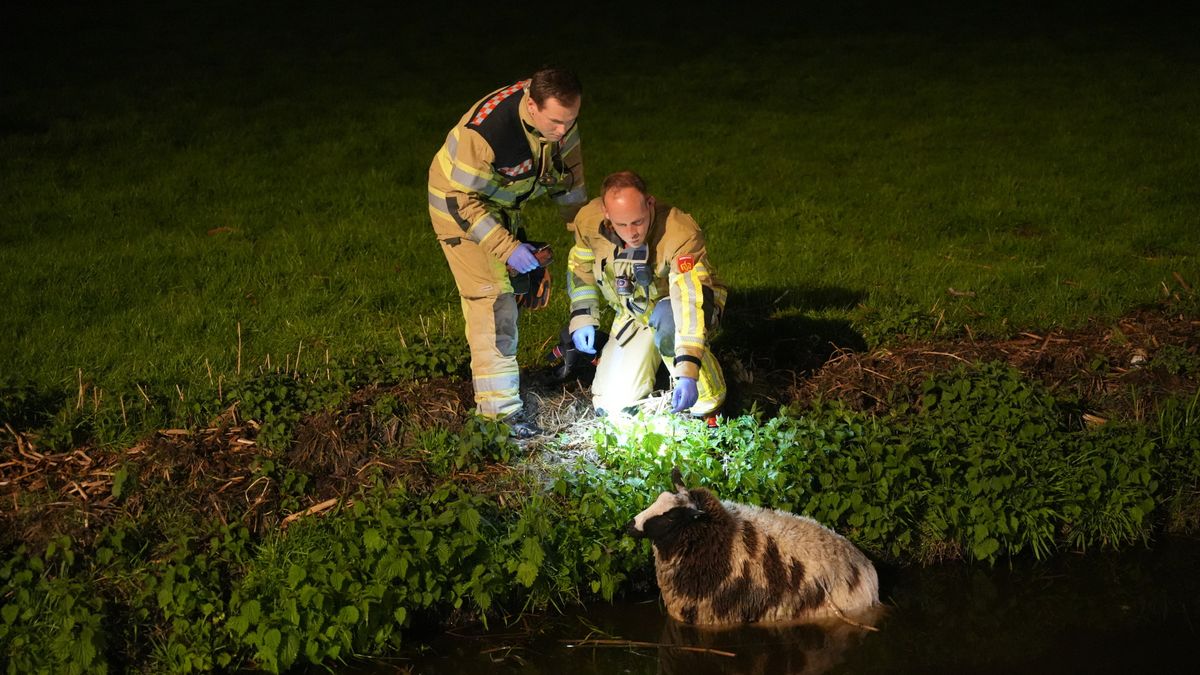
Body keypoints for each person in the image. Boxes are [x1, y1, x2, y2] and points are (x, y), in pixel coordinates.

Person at [428, 67, 587, 438]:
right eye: (557, 122)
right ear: (531, 106)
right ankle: (500, 420)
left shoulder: (559, 118)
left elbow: (569, 178)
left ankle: (501, 395)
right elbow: (459, 200)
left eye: (572, 121)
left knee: (511, 296)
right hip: (458, 211)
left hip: (500, 207)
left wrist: (583, 230)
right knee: (494, 302)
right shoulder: (487, 132)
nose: (564, 131)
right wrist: (508, 248)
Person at [565, 171, 727, 418]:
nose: (632, 233)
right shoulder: (589, 223)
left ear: (650, 203)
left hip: (679, 308)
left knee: (668, 319)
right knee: (612, 404)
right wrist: (583, 317)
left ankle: (710, 398)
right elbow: (581, 267)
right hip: (635, 313)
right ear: (607, 214)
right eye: (622, 225)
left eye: (638, 221)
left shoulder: (679, 233)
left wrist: (688, 370)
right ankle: (660, 363)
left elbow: (690, 301)